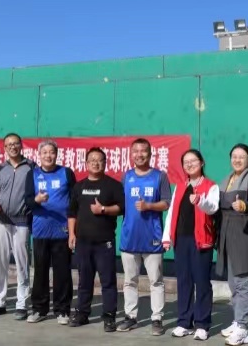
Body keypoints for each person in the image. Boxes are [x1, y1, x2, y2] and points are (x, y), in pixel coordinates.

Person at [162, 149, 219, 341]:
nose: (189, 164)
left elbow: (213, 207)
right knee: (183, 281)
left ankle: (202, 324)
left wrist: (200, 200)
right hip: (181, 240)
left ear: (202, 163)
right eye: (185, 161)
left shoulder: (211, 186)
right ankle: (184, 322)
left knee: (202, 282)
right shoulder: (180, 186)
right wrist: (167, 237)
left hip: (201, 240)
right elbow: (171, 212)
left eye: (193, 160)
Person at [117, 138, 171, 336]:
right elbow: (120, 204)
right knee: (130, 281)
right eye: (136, 151)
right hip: (129, 238)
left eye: (143, 151)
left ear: (150, 153)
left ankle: (157, 319)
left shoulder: (159, 176)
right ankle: (130, 317)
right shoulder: (127, 176)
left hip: (152, 238)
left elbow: (166, 203)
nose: (139, 155)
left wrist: (149, 206)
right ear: (131, 154)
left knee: (156, 281)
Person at [67, 147, 124, 333]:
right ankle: (82, 314)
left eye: (99, 160)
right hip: (83, 242)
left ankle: (109, 317)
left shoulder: (113, 185)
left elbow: (122, 208)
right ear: (86, 163)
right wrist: (72, 234)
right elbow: (72, 213)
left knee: (107, 281)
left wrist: (104, 210)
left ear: (105, 163)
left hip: (104, 242)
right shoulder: (79, 186)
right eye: (92, 160)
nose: (95, 163)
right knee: (84, 280)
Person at [216, 144, 248, 346]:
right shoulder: (226, 180)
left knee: (244, 283)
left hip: (244, 234)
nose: (237, 160)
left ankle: (243, 328)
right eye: (234, 156)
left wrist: (245, 206)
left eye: (241, 157)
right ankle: (238, 321)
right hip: (227, 234)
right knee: (233, 283)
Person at [0, 133, 36, 321]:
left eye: (15, 143)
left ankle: (22, 304)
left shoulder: (31, 167)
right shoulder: (0, 169)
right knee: (1, 263)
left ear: (21, 145)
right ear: (4, 148)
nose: (12, 147)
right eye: (9, 144)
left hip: (22, 222)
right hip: (1, 222)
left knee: (22, 264)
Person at [27, 140, 76, 325]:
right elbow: (27, 201)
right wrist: (37, 200)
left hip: (62, 231)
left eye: (51, 152)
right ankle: (39, 309)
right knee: (40, 272)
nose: (48, 155)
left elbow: (75, 201)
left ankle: (62, 310)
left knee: (62, 272)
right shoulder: (33, 174)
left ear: (57, 154)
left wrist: (73, 229)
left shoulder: (66, 173)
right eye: (44, 152)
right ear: (39, 155)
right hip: (40, 231)